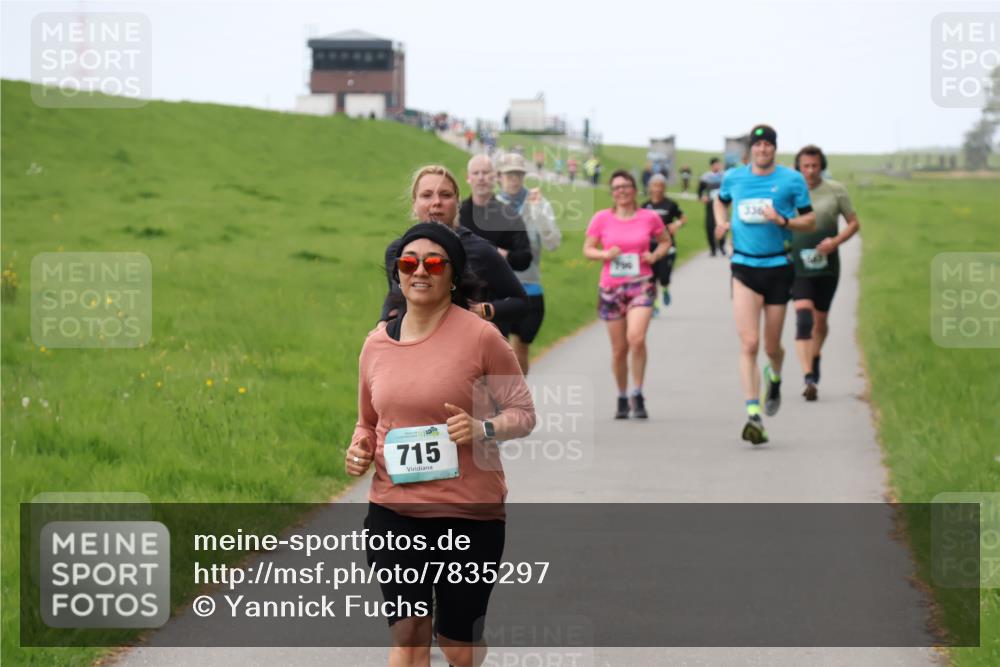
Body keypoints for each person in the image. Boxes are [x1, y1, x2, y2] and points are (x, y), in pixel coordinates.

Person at [348, 222, 536, 667]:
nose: (420, 271)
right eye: (409, 263)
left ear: (452, 275)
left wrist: (482, 429)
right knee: (409, 634)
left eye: (434, 263)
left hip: (469, 513)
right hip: (394, 510)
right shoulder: (375, 344)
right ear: (397, 273)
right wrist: (358, 448)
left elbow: (524, 414)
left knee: (457, 644)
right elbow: (367, 423)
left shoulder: (481, 337)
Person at [712, 124, 816, 445]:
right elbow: (720, 200)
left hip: (778, 267)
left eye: (768, 145)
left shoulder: (791, 180)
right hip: (743, 266)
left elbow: (809, 221)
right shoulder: (734, 177)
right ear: (750, 151)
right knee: (749, 344)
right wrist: (720, 224)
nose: (762, 150)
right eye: (757, 146)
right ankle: (753, 414)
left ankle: (775, 376)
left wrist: (783, 221)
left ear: (774, 149)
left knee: (772, 347)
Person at [382, 165, 529, 338]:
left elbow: (521, 303)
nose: (436, 202)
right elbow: (395, 295)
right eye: (426, 195)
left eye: (445, 195)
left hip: (466, 351)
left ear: (457, 203)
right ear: (415, 203)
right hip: (412, 352)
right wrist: (383, 321)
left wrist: (482, 310)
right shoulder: (397, 251)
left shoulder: (480, 251)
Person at [584, 169, 672, 419]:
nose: (621, 191)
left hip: (641, 284)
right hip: (611, 288)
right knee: (619, 349)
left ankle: (638, 392)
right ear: (612, 193)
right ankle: (622, 396)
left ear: (634, 190)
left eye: (626, 186)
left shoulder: (649, 217)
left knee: (636, 338)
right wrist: (604, 255)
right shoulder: (601, 219)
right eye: (616, 188)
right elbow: (588, 249)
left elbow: (665, 240)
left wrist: (654, 255)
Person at [790, 145, 860, 401]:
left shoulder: (836, 190)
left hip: (827, 267)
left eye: (814, 166)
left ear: (822, 166)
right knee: (804, 319)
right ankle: (808, 376)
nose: (809, 171)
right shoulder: (790, 190)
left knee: (820, 322)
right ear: (798, 167)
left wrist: (835, 242)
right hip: (797, 266)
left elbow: (854, 223)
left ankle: (815, 356)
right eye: (805, 166)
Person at [495, 152, 562, 374]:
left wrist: (537, 213)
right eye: (509, 174)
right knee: (497, 350)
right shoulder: (489, 207)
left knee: (521, 348)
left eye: (518, 174)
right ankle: (498, 405)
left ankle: (519, 404)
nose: (514, 179)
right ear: (499, 177)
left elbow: (553, 243)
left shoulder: (538, 203)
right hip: (497, 292)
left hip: (530, 288)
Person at [459, 155, 533, 272]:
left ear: (495, 177)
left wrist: (499, 254)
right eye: (476, 173)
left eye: (486, 172)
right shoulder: (456, 213)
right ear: (468, 178)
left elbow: (525, 258)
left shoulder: (510, 216)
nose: (481, 178)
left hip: (497, 286)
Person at [641, 173, 687, 307]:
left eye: (661, 186)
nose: (658, 189)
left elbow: (683, 218)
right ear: (650, 187)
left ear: (665, 188)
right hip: (650, 246)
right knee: (651, 277)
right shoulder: (645, 206)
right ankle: (654, 303)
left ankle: (665, 288)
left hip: (667, 246)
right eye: (655, 185)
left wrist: (676, 224)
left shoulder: (671, 204)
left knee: (664, 276)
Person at [698, 157, 726, 256]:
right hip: (710, 205)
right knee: (709, 226)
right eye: (715, 164)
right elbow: (700, 191)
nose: (717, 166)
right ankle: (713, 249)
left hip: (722, 205)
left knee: (721, 225)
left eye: (718, 164)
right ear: (712, 165)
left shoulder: (724, 176)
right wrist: (702, 197)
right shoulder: (706, 177)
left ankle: (722, 246)